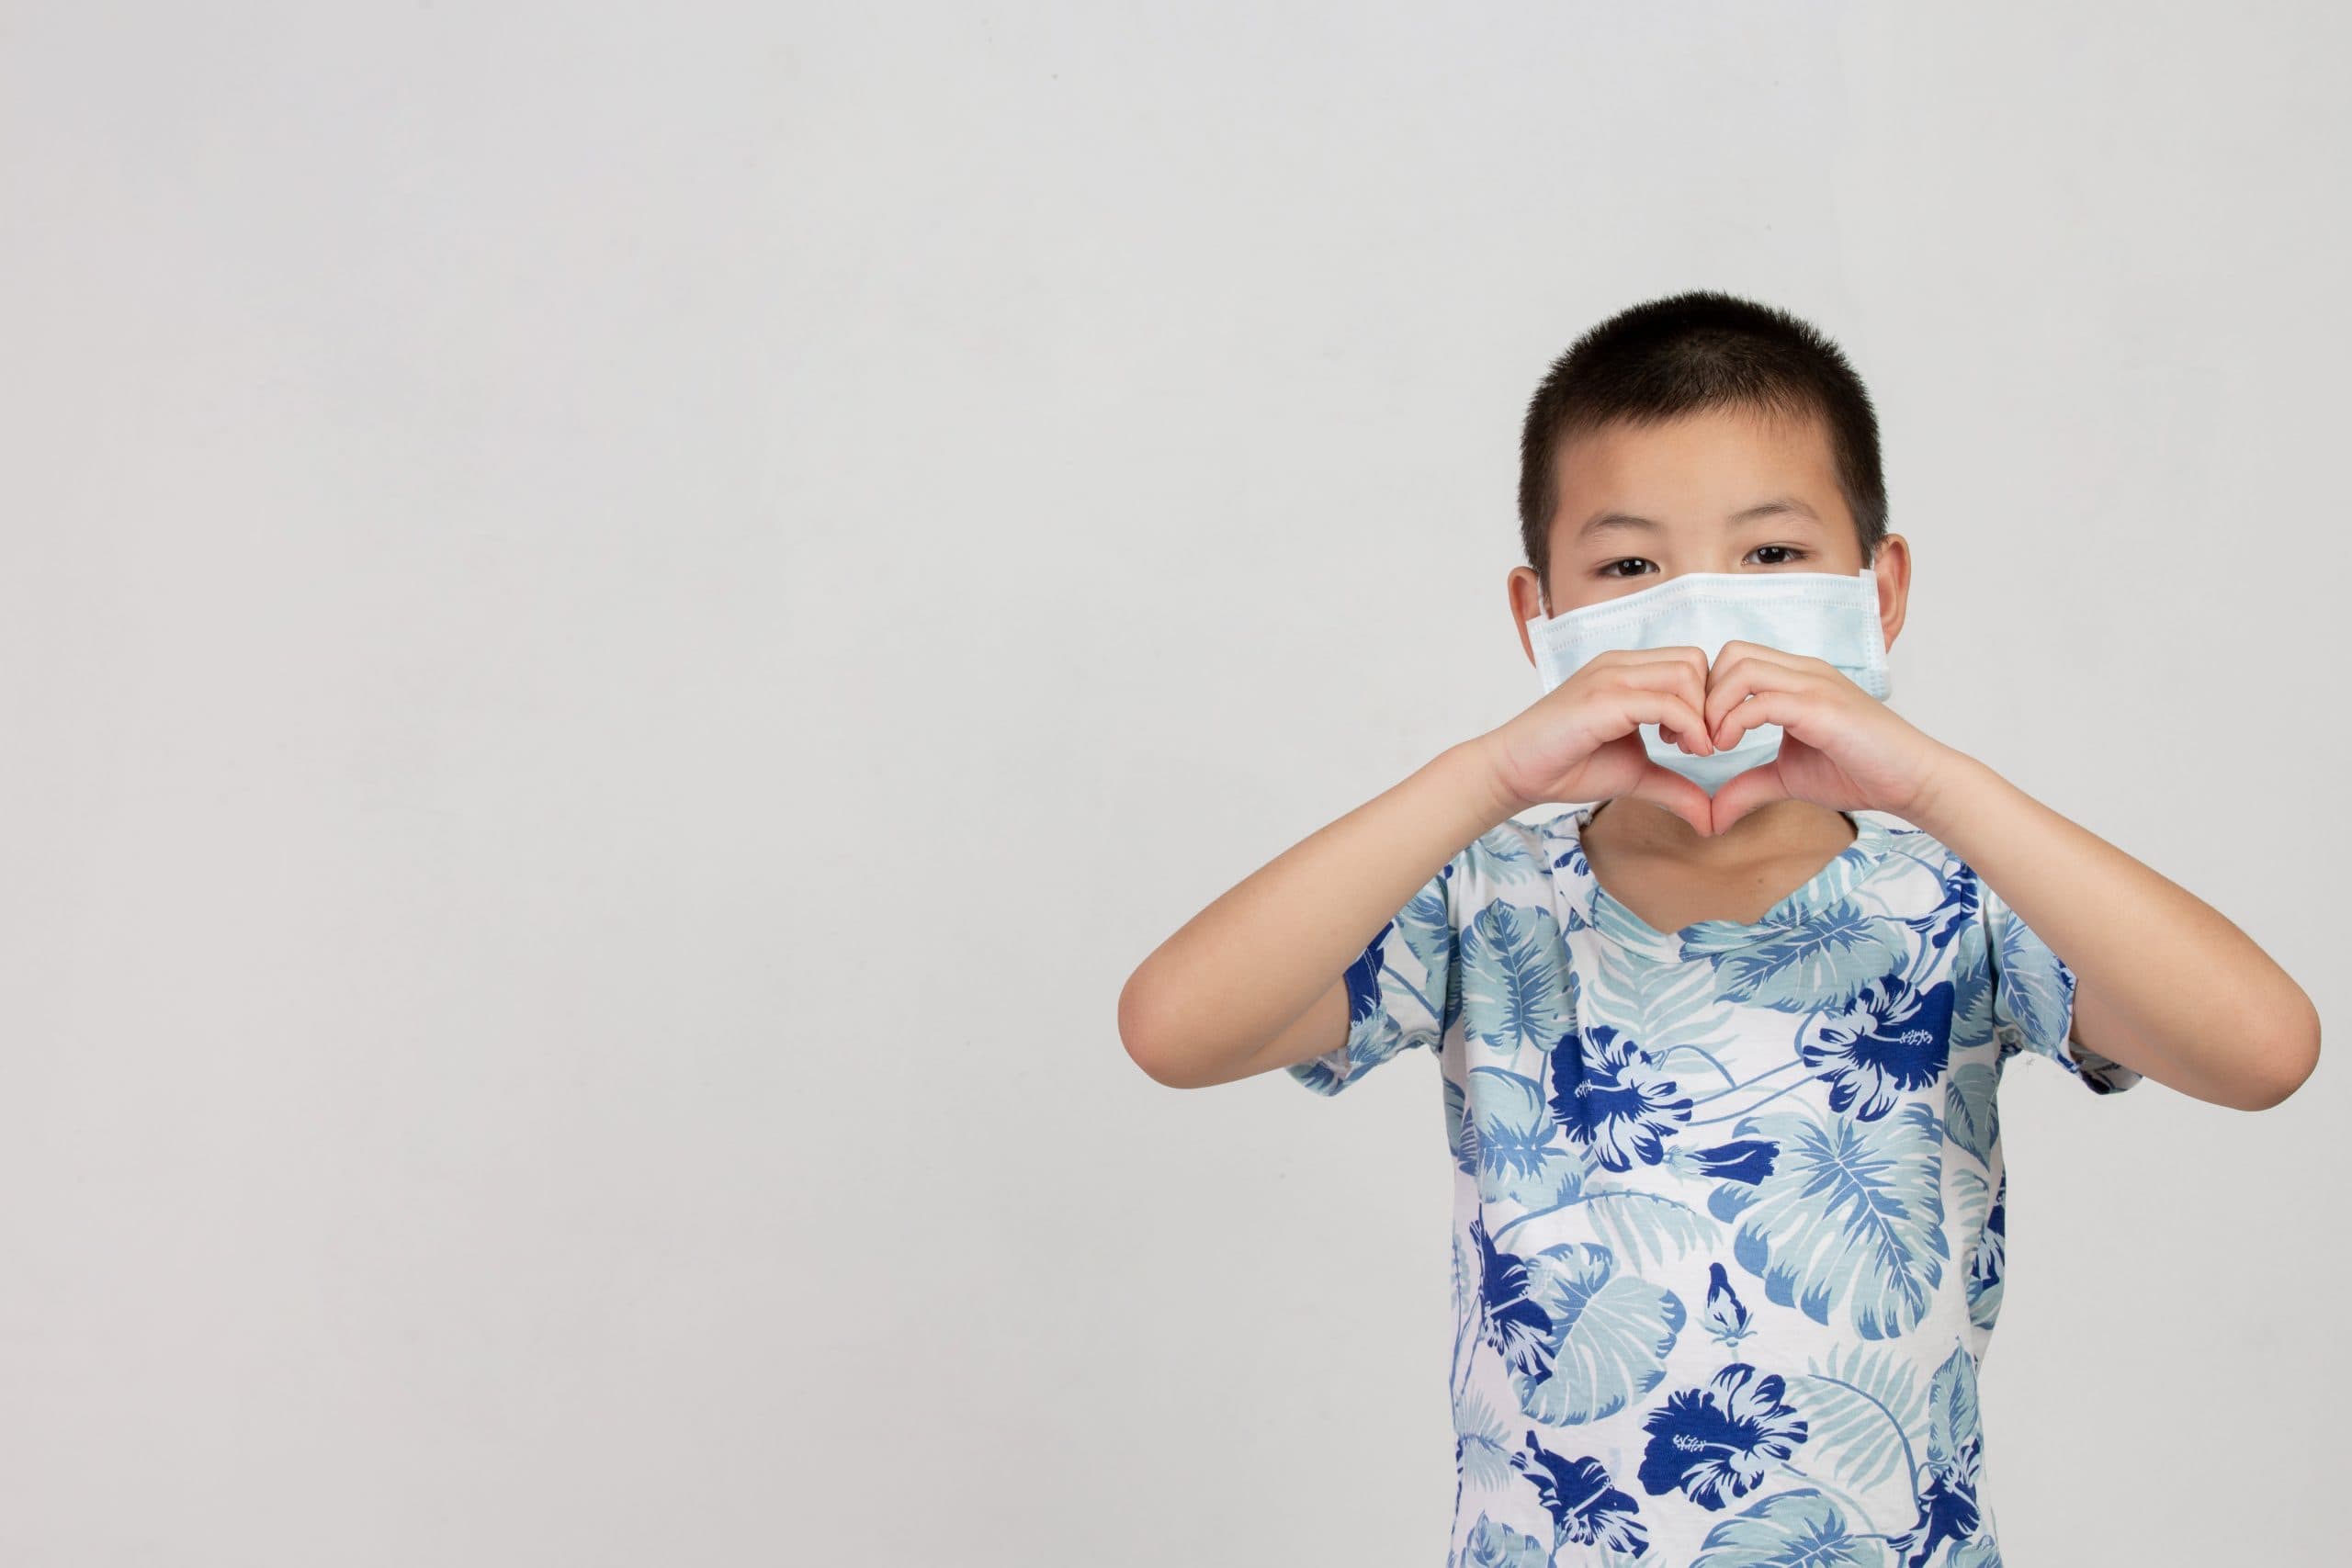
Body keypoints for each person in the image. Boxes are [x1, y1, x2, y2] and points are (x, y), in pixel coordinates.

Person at [1116, 289, 2320, 1567]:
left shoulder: (1962, 897)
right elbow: (1173, 1030)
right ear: (1542, 617)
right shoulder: (1480, 898)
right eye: (1631, 566)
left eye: (1772, 556)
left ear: (1880, 589)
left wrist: (1934, 784)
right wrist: (1489, 778)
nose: (1704, 610)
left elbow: (2264, 1051)